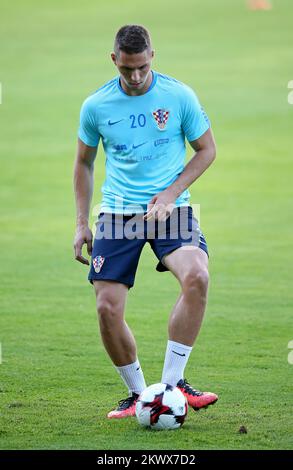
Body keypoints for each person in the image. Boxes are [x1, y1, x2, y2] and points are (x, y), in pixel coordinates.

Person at [73, 25, 218, 419]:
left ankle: (173, 386)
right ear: (114, 60)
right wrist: (81, 222)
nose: (135, 77)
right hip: (118, 213)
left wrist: (172, 192)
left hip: (173, 209)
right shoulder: (96, 106)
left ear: (152, 54)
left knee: (198, 277)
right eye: (127, 69)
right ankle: (139, 395)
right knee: (106, 307)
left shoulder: (178, 95)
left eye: (141, 67)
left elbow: (207, 150)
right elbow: (84, 163)